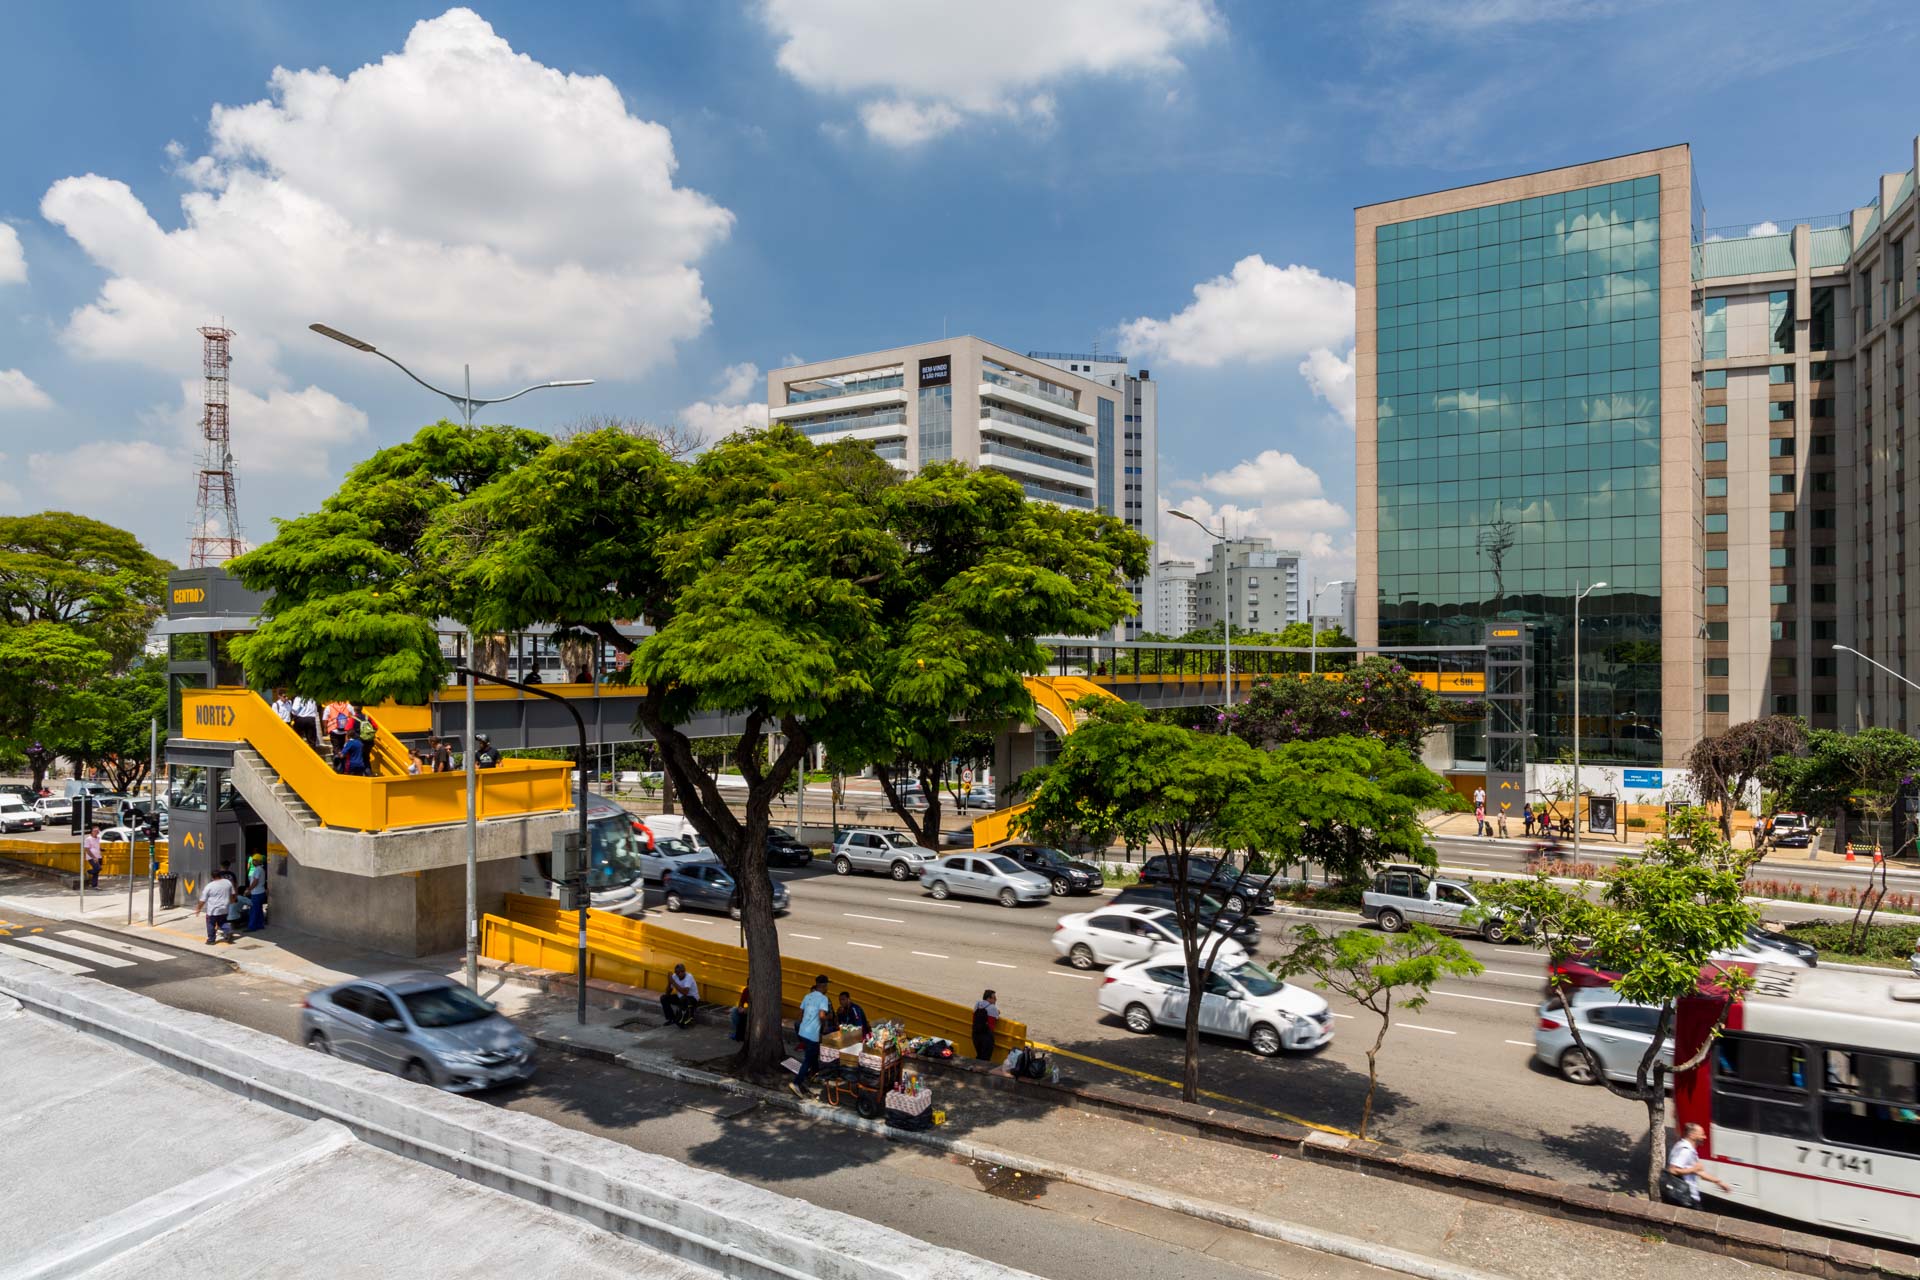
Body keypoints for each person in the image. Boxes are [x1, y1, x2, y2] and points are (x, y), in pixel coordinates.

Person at [1664, 1123, 1729, 1208]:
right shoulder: (1685, 1151)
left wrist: (1719, 1182)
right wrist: (1693, 1169)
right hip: (1686, 1197)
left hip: (1687, 1197)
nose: (1705, 1137)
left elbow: (1700, 1172)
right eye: (1702, 1134)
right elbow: (1672, 1169)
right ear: (1692, 1135)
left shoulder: (1687, 1149)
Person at [790, 974, 833, 1098]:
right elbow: (821, 1015)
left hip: (803, 1031)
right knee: (809, 1058)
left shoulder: (807, 996)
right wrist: (827, 1019)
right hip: (812, 1034)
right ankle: (796, 1083)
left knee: (814, 1053)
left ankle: (815, 1075)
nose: (827, 988)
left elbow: (801, 1013)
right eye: (827, 985)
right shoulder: (823, 999)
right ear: (823, 985)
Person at [196, 864, 235, 944]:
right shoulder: (228, 882)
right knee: (222, 922)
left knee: (210, 924)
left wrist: (199, 908)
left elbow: (203, 899)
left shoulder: (209, 886)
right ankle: (228, 930)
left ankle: (211, 940)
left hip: (213, 910)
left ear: (212, 877)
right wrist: (232, 901)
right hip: (224, 908)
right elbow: (233, 894)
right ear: (221, 875)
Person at [660, 963, 699, 1029]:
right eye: (678, 972)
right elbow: (667, 993)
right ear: (676, 972)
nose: (680, 973)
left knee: (683, 999)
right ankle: (671, 1018)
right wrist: (669, 981)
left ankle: (685, 1020)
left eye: (682, 971)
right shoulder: (675, 976)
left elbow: (685, 992)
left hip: (692, 999)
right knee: (664, 998)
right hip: (681, 998)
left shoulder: (689, 977)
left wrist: (673, 982)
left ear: (685, 971)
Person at [972, 989, 1000, 1061]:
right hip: (986, 1036)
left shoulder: (977, 1004)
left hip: (975, 1034)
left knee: (979, 1055)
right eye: (994, 998)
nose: (996, 999)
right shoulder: (992, 1008)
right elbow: (996, 1017)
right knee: (985, 1059)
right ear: (988, 998)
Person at [244, 852, 268, 932]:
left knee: (253, 911)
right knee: (259, 910)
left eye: (254, 860)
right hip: (261, 892)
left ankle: (252, 927)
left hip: (257, 893)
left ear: (258, 861)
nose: (253, 862)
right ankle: (260, 924)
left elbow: (255, 881)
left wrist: (249, 890)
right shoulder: (261, 869)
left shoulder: (258, 869)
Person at [81, 825, 103, 890]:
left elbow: (96, 846)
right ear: (92, 832)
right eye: (95, 831)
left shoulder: (98, 838)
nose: (96, 832)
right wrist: (93, 857)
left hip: (99, 856)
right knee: (98, 868)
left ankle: (94, 885)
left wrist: (101, 849)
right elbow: (87, 849)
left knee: (96, 872)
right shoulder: (88, 839)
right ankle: (89, 872)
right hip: (91, 857)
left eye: (97, 831)